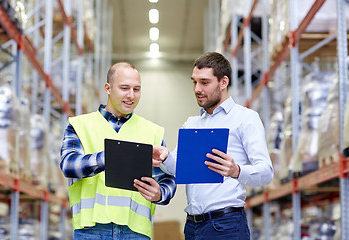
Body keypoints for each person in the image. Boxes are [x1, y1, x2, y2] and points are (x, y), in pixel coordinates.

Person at [153, 52, 274, 240]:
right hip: (192, 226)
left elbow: (266, 172)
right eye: (194, 82)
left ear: (223, 82)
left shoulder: (245, 118)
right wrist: (165, 156)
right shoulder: (192, 124)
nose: (197, 89)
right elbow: (180, 168)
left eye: (204, 82)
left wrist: (236, 171)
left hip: (226, 225)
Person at [60, 62, 176, 239]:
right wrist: (113, 156)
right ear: (108, 88)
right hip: (91, 230)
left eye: (136, 89)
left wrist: (160, 193)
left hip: (136, 232)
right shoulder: (80, 125)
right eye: (124, 88)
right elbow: (69, 165)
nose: (131, 95)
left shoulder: (152, 131)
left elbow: (168, 178)